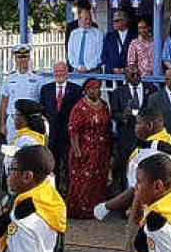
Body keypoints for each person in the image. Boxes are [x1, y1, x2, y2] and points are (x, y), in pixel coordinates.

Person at [98, 108, 171, 252]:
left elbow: (138, 190)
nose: (135, 128)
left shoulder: (153, 151)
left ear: (150, 126)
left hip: (143, 211)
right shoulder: (159, 142)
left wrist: (109, 206)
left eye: (138, 123)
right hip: (152, 209)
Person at [66, 77, 110, 218]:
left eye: (97, 88)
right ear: (86, 90)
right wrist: (77, 150)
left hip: (101, 150)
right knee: (83, 182)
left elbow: (108, 128)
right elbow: (73, 130)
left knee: (98, 181)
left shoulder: (103, 106)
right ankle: (80, 211)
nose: (95, 91)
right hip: (83, 149)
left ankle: (96, 211)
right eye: (92, 88)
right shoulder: (79, 107)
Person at [109, 64, 158, 190]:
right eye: (132, 75)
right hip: (127, 138)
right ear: (126, 77)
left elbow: (155, 111)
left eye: (138, 74)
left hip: (146, 138)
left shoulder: (150, 89)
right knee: (127, 169)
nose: (136, 77)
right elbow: (114, 113)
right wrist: (123, 116)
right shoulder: (118, 92)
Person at [39, 62, 82, 191]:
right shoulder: (46, 89)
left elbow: (78, 112)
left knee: (69, 164)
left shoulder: (76, 89)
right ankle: (54, 191)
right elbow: (42, 111)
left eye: (62, 71)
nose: (59, 74)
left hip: (68, 134)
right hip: (52, 135)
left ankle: (70, 192)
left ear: (67, 72)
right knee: (53, 164)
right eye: (56, 71)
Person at [0, 45, 44, 143]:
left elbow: (42, 100)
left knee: (30, 149)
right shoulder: (9, 78)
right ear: (15, 59)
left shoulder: (37, 78)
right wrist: (2, 122)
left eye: (25, 57)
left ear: (29, 58)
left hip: (31, 121)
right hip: (13, 120)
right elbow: (4, 102)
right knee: (11, 150)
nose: (22, 60)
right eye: (19, 57)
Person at [6, 100, 49, 179]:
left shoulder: (25, 140)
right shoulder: (39, 130)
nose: (14, 119)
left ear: (24, 119)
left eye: (15, 115)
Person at [66, 1, 103, 73]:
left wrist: (88, 67)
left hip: (93, 70)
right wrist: (77, 66)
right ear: (79, 17)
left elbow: (99, 53)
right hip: (76, 69)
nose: (88, 21)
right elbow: (70, 52)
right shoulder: (73, 32)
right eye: (86, 19)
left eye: (89, 18)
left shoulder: (97, 32)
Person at [102, 10, 135, 74]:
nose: (114, 23)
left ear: (125, 21)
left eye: (117, 21)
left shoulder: (133, 37)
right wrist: (112, 69)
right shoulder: (109, 36)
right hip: (111, 76)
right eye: (113, 21)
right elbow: (104, 56)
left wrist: (125, 70)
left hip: (128, 75)